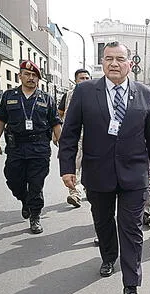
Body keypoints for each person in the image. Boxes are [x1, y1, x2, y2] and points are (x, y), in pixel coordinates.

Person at [59, 41, 150, 294]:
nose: (114, 64)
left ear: (131, 64)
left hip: (135, 173)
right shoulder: (85, 91)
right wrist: (67, 167)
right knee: (103, 221)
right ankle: (108, 256)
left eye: (120, 59)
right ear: (102, 62)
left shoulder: (143, 92)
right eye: (109, 59)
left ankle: (131, 284)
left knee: (131, 228)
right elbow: (70, 132)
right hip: (98, 171)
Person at [0, 60, 62, 234]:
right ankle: (24, 200)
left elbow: (55, 123)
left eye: (34, 75)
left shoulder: (46, 99)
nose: (31, 78)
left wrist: (64, 146)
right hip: (16, 147)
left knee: (36, 184)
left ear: (38, 79)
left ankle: (35, 216)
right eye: (27, 74)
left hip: (39, 148)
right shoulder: (9, 96)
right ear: (20, 75)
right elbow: (0, 120)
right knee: (13, 179)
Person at [57, 68, 91, 208]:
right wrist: (59, 133)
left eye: (87, 78)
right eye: (81, 78)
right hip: (74, 137)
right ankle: (75, 194)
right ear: (75, 80)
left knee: (91, 166)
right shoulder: (68, 95)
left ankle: (90, 188)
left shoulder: (94, 95)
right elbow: (60, 113)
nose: (84, 81)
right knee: (74, 165)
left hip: (90, 136)